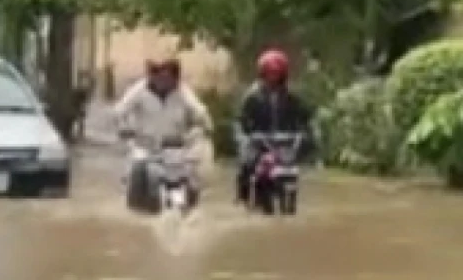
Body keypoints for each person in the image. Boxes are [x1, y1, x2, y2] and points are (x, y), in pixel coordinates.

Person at [109, 56, 213, 207]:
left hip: (175, 147)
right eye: (160, 77)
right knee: (136, 169)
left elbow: (199, 110)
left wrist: (205, 125)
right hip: (145, 146)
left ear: (175, 78)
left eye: (168, 78)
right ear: (153, 75)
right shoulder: (139, 90)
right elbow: (119, 111)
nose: (164, 82)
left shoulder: (182, 91)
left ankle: (190, 205)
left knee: (192, 174)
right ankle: (135, 205)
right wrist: (123, 128)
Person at [232, 49, 314, 204]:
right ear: (262, 73)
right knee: (247, 161)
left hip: (284, 142)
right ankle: (242, 195)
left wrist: (305, 135)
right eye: (269, 73)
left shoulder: (293, 97)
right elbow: (241, 121)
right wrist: (244, 137)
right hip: (259, 141)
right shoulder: (252, 96)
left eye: (276, 73)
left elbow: (305, 120)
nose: (273, 77)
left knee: (295, 159)